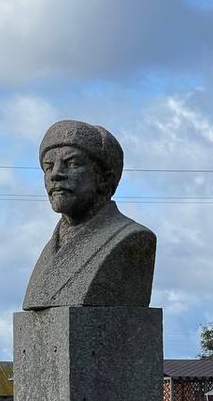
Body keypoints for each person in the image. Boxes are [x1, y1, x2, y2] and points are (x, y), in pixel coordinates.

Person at [22, 120, 156, 309]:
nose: (55, 175)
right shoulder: (51, 250)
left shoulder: (131, 238)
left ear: (104, 179)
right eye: (49, 166)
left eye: (72, 163)